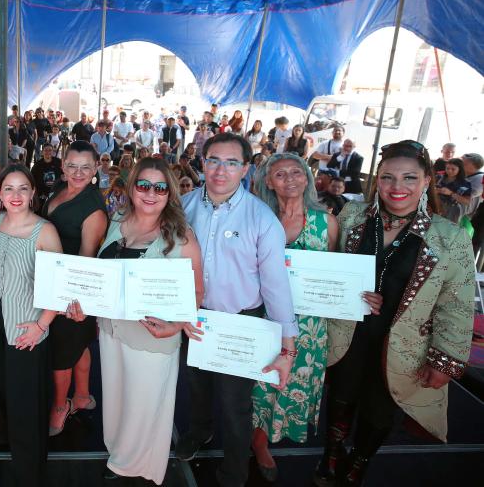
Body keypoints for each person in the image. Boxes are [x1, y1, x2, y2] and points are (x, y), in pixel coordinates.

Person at [316, 140, 475, 486]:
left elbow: (457, 305)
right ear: (378, 180)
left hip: (405, 347)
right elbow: (326, 269)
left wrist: (445, 360)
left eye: (409, 178)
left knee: (380, 410)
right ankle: (331, 454)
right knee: (341, 399)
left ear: (427, 181)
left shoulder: (449, 237)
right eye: (387, 177)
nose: (396, 186)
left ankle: (358, 462)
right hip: (348, 335)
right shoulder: (352, 216)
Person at [178, 132, 297, 487]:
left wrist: (287, 344)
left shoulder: (261, 218)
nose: (221, 170)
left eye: (232, 163)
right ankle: (200, 431)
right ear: (202, 162)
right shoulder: (182, 206)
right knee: (196, 387)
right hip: (194, 318)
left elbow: (275, 284)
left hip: (239, 322)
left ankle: (234, 472)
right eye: (214, 160)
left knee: (234, 404)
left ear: (246, 169)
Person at [94, 157, 204, 484]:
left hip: (152, 335)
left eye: (160, 188)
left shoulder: (182, 236)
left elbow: (198, 291)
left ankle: (130, 466)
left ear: (170, 193)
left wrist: (176, 326)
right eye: (144, 185)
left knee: (143, 405)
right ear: (132, 188)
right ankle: (118, 452)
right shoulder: (117, 219)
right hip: (111, 329)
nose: (151, 193)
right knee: (116, 398)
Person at [249, 153, 341, 481]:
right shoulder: (260, 219)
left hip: (309, 325)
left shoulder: (326, 222)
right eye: (280, 174)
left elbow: (338, 273)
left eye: (296, 172)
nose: (289, 178)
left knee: (288, 384)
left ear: (307, 177)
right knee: (259, 384)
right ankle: (257, 441)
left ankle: (267, 440)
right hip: (264, 317)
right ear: (268, 182)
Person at [0, 164, 64, 486]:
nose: (16, 195)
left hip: (26, 323)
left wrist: (41, 326)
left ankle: (28, 469)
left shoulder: (45, 231)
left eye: (23, 188)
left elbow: (60, 286)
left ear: (33, 192)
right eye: (9, 188)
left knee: (25, 398)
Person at [42, 141, 108, 436]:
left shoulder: (93, 209)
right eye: (72, 166)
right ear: (63, 166)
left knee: (62, 352)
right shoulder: (59, 188)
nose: (78, 173)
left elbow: (86, 259)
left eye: (85, 167)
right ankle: (81, 395)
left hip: (71, 291)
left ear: (95, 169)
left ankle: (60, 406)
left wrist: (71, 300)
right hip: (51, 279)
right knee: (78, 347)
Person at [436, 158, 472, 222]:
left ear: (460, 169)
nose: (449, 171)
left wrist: (451, 193)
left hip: (451, 211)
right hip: (436, 205)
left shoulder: (465, 183)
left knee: (446, 227)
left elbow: (467, 202)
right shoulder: (439, 177)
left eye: (453, 169)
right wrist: (434, 191)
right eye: (447, 168)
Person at [31, 143, 63, 210]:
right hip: (42, 197)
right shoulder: (37, 165)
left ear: (53, 152)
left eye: (50, 150)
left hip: (56, 195)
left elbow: (65, 175)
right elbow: (31, 180)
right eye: (46, 150)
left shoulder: (59, 162)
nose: (48, 152)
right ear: (42, 152)